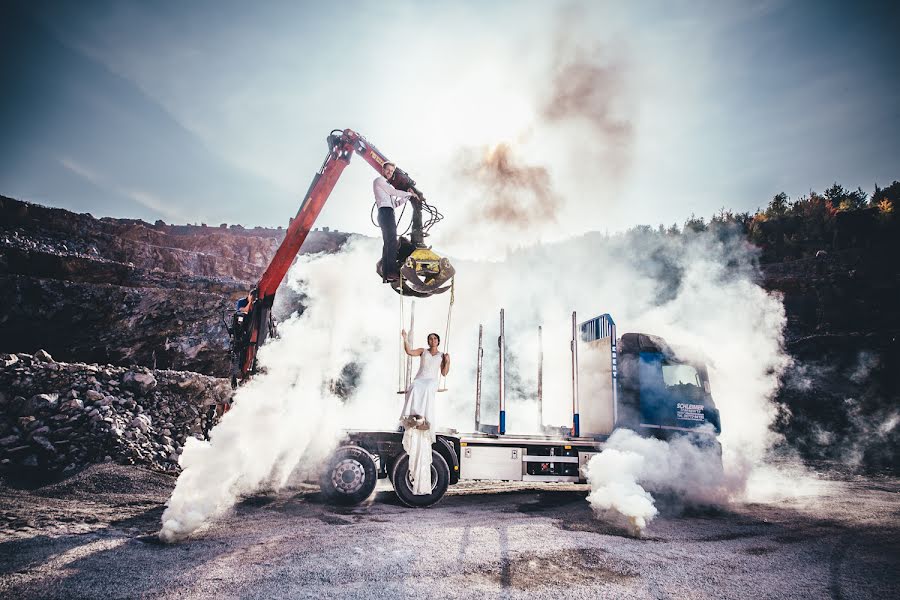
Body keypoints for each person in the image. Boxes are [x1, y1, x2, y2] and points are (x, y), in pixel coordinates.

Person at [399, 330, 450, 495]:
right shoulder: (423, 351)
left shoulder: (442, 355)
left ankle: (424, 419)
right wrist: (405, 339)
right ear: (428, 341)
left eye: (435, 338)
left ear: (438, 341)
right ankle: (414, 417)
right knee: (414, 387)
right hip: (420, 378)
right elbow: (408, 351)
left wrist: (448, 361)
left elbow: (444, 373)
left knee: (428, 389)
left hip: (431, 381)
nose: (432, 340)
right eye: (430, 338)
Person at [374, 162, 417, 281]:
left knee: (389, 243)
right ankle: (391, 272)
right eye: (388, 170)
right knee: (391, 242)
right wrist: (410, 193)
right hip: (385, 212)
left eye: (392, 171)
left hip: (388, 212)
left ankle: (387, 274)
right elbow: (394, 193)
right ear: (383, 170)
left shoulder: (387, 186)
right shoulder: (379, 181)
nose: (390, 172)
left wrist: (407, 197)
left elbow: (395, 203)